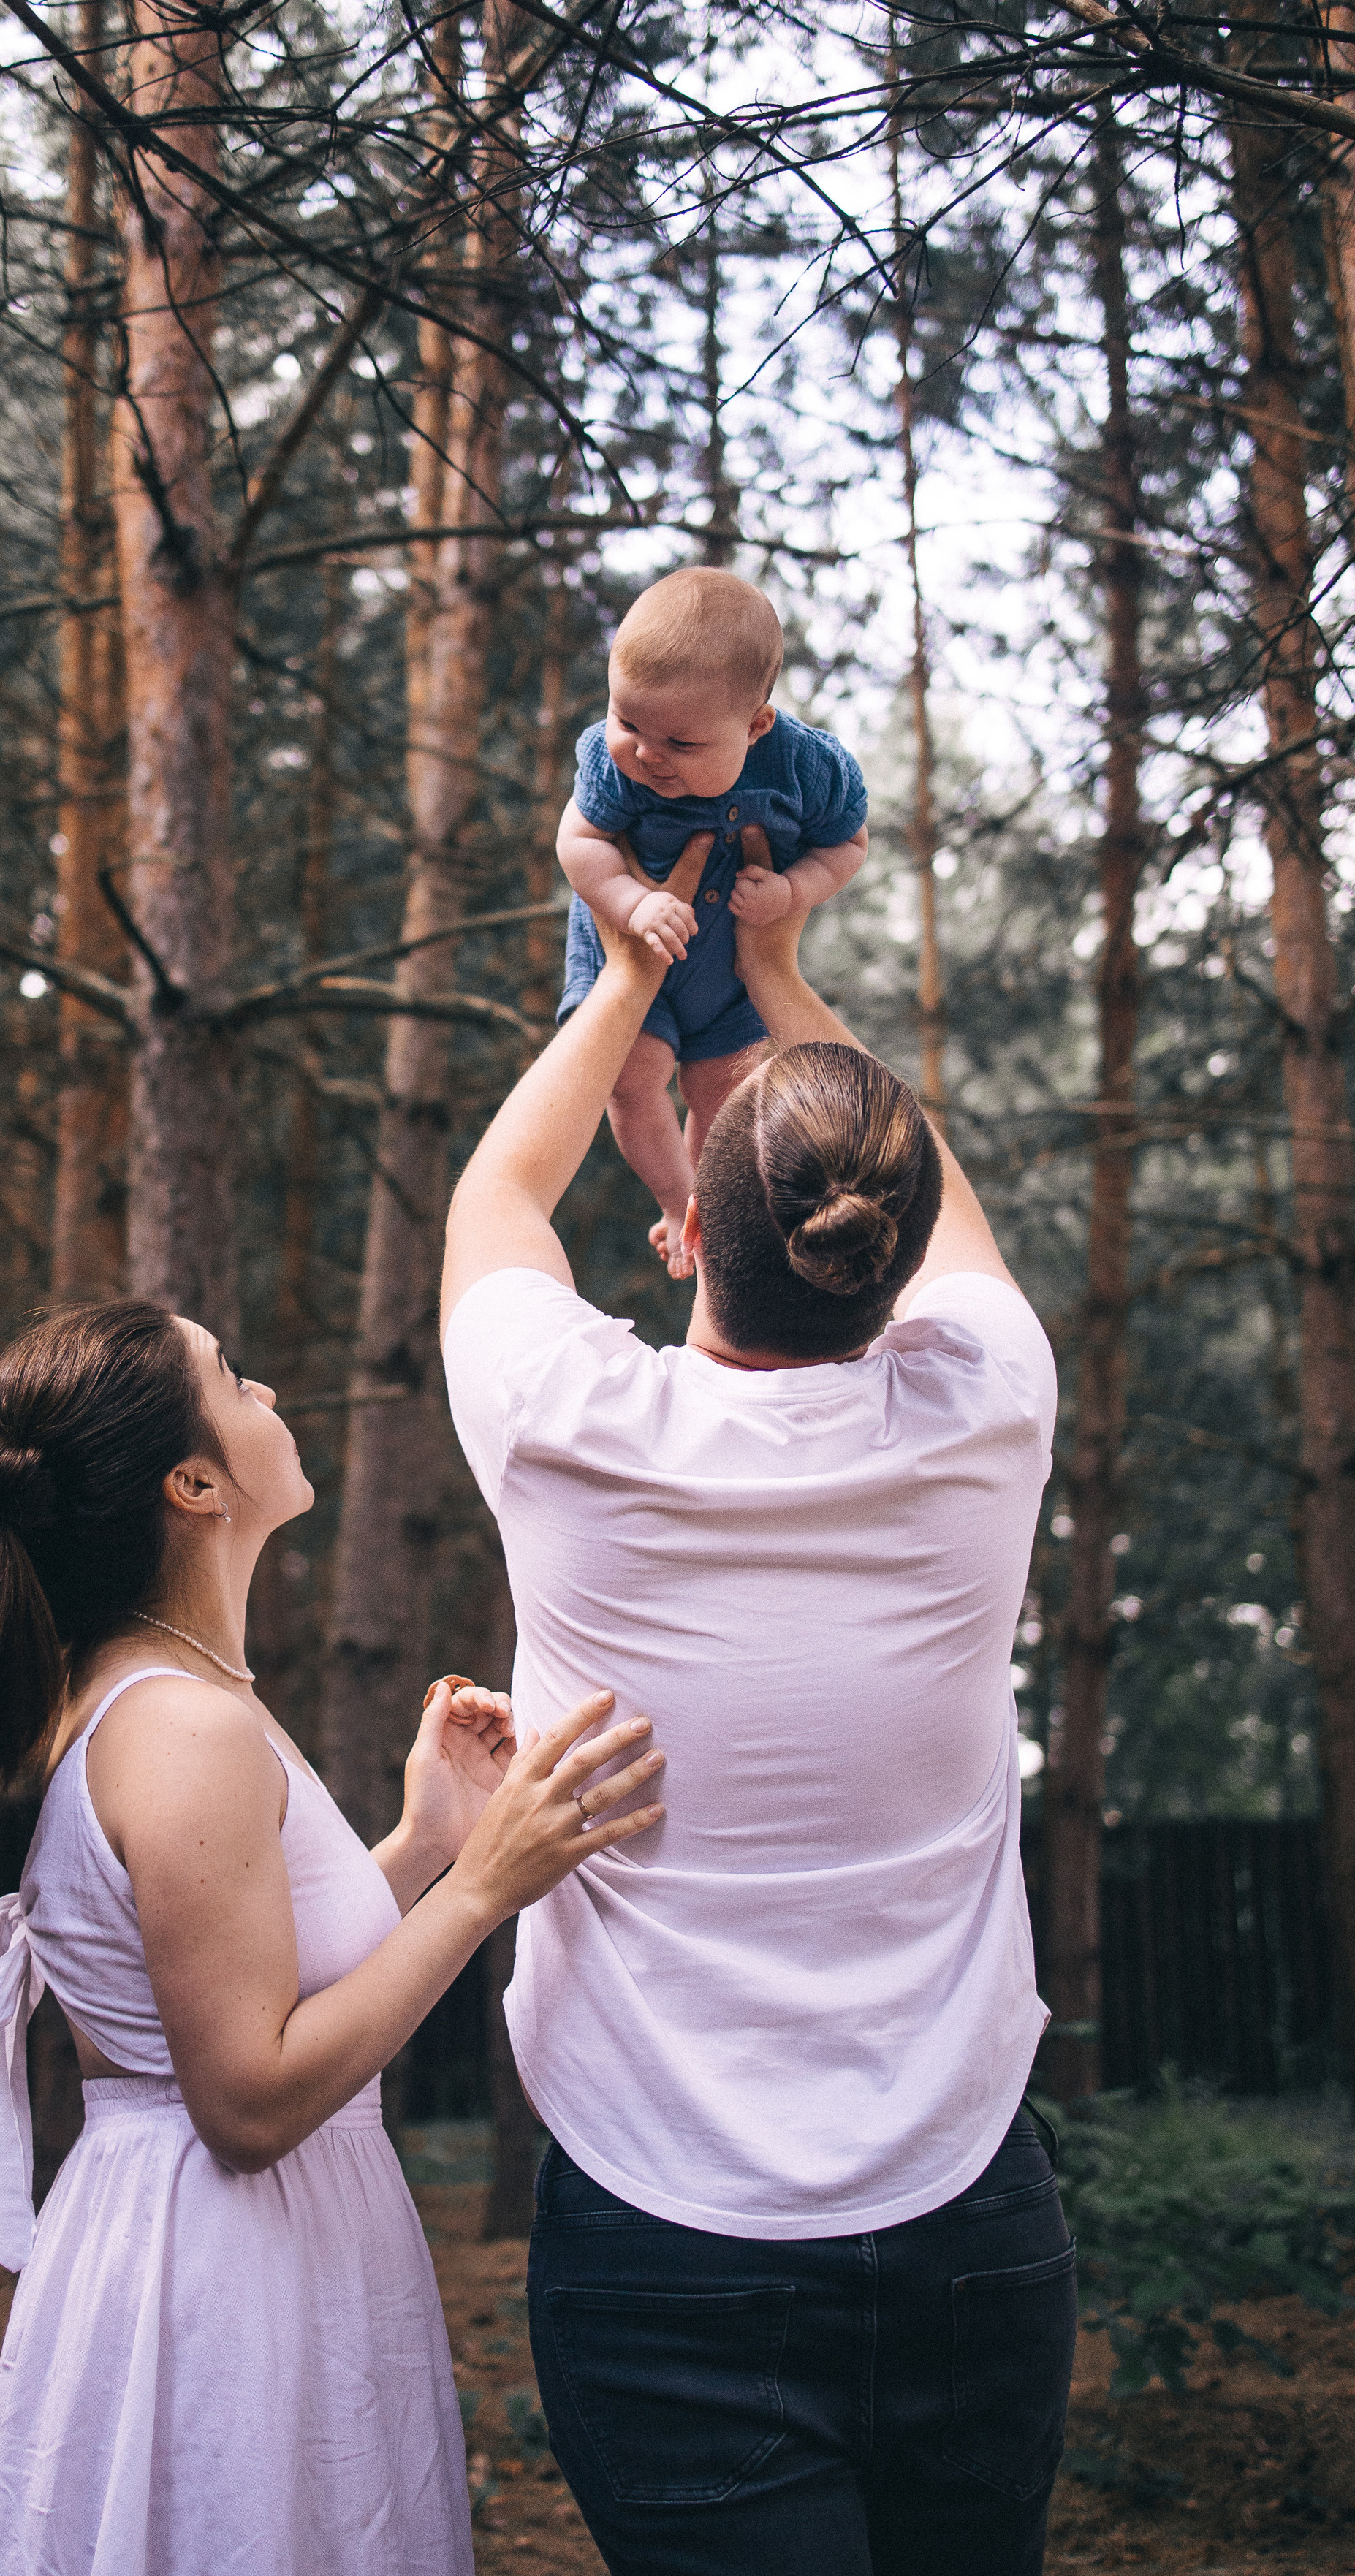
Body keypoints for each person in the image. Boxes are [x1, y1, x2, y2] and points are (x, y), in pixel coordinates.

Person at [441, 890, 1074, 2574]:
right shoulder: (987, 1408)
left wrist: (636, 967)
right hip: (970, 2215)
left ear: (688, 1233)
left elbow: (496, 1194)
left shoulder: (570, 1421)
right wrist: (782, 970)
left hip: (664, 2240)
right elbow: (939, 1220)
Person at [0, 1300, 666, 2576]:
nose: (271, 1392)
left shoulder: (180, 1696)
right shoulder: (184, 1726)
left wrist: (424, 1847)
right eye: (235, 1379)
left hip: (246, 2248)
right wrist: (485, 1889)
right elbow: (245, 2099)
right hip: (224, 2277)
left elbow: (248, 1973)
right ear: (194, 1481)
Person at [555, 566, 869, 1276]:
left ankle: (712, 1210)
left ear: (756, 726)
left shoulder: (810, 772)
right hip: (626, 950)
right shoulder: (611, 768)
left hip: (728, 969)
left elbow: (847, 846)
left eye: (682, 744)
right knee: (632, 1075)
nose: (646, 753)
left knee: (725, 1092)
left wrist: (792, 891)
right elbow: (577, 842)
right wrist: (633, 905)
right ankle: (675, 1202)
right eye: (626, 721)